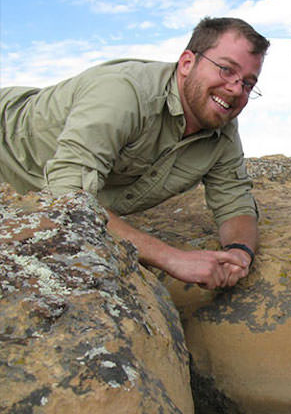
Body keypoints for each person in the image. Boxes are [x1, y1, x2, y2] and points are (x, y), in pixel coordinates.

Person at [0, 16, 268, 290]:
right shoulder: (123, 92)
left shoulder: (221, 128)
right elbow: (67, 198)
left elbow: (235, 202)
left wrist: (239, 254)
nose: (236, 89)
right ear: (187, 63)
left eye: (248, 83)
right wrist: (171, 258)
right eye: (225, 69)